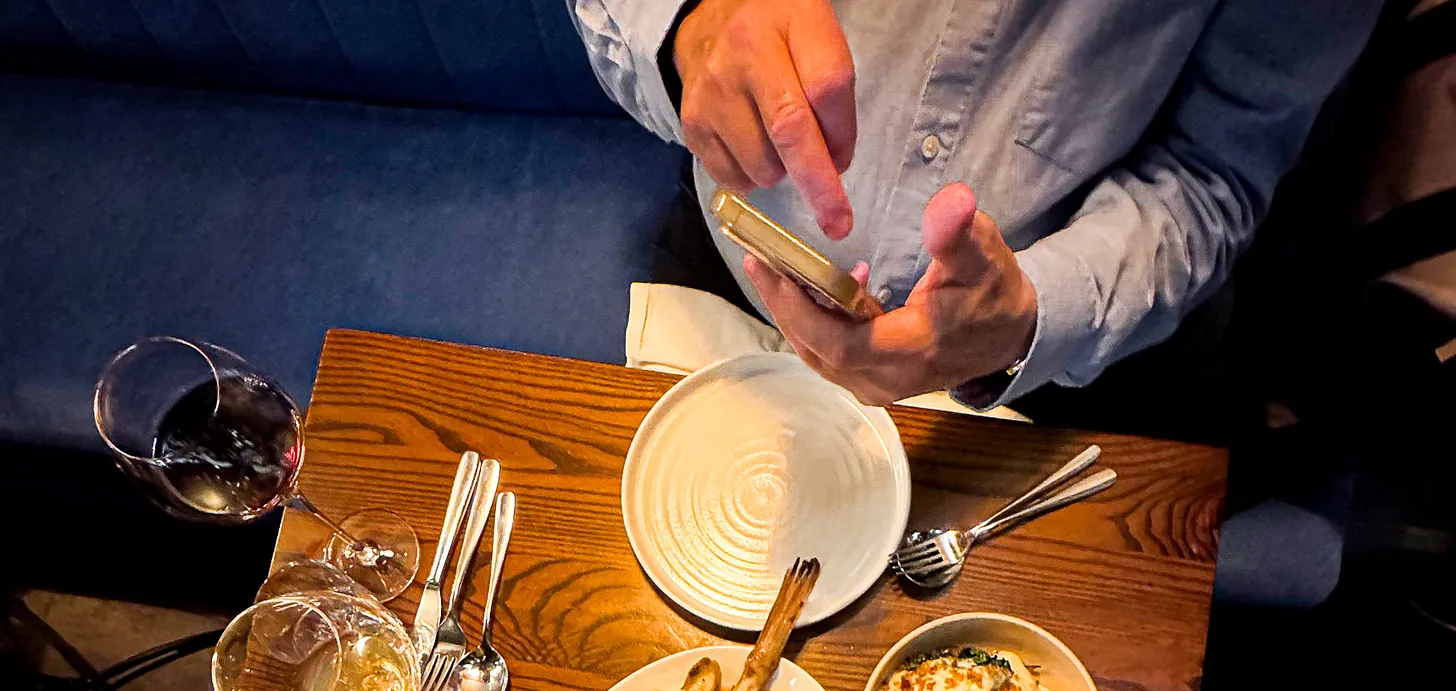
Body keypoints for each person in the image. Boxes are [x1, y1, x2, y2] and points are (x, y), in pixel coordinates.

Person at [570, 0, 1383, 413]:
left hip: (1057, 378)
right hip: (734, 270)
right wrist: (690, 27)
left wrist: (1034, 314)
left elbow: (1211, 174)